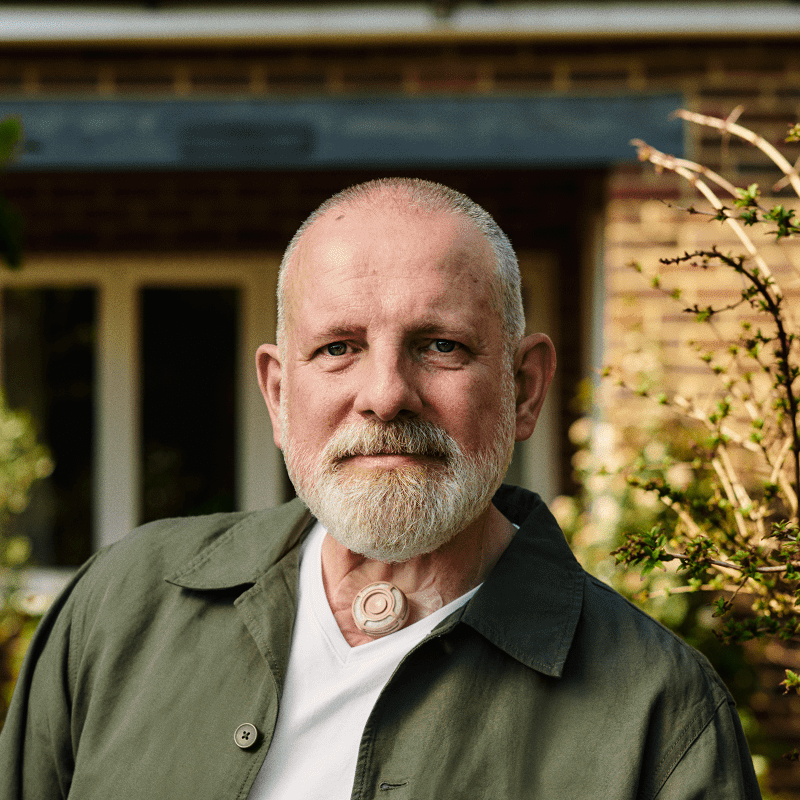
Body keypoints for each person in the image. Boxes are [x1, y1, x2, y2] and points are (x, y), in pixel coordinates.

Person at [0, 178, 761, 799]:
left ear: (525, 388)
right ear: (276, 394)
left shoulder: (661, 716)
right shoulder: (122, 605)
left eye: (440, 346)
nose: (386, 394)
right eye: (338, 348)